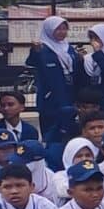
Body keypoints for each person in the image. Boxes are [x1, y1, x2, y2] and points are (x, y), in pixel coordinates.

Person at [28, 16, 79, 164]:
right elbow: (32, 64)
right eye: (58, 29)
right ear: (49, 30)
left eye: (64, 28)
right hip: (50, 97)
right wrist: (35, 52)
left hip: (69, 93)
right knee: (51, 131)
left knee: (69, 128)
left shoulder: (68, 47)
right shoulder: (42, 47)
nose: (62, 32)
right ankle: (50, 159)